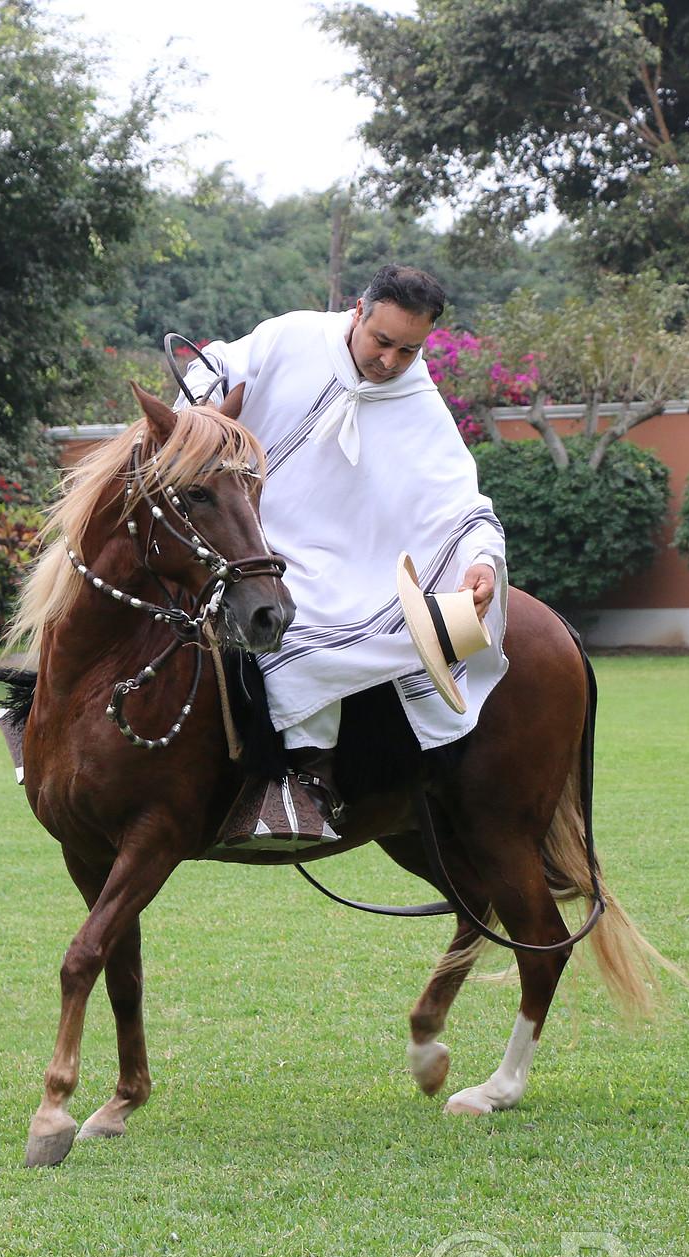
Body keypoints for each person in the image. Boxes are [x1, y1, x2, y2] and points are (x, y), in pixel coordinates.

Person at [188, 265, 508, 848]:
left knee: (304, 618)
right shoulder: (291, 336)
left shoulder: (418, 401)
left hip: (346, 563)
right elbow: (214, 368)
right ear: (359, 312)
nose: (390, 361)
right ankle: (42, 710)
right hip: (239, 532)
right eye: (381, 341)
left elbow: (459, 499)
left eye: (408, 350)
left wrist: (482, 560)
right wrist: (204, 410)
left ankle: (311, 777)